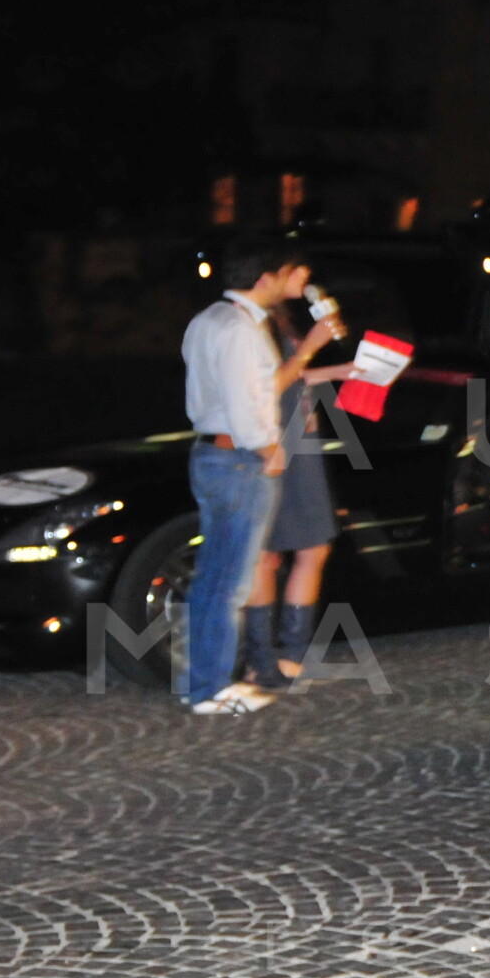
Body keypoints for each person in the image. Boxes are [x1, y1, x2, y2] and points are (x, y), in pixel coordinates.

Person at [179, 243, 333, 716]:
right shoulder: (242, 330)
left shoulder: (209, 319)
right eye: (286, 273)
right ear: (266, 278)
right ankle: (209, 689)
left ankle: (202, 682)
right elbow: (249, 401)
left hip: (213, 452)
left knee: (214, 579)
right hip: (238, 458)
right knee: (229, 583)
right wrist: (269, 449)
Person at [243, 274, 351, 690]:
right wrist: (311, 346)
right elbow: (264, 388)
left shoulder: (277, 317)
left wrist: (340, 369)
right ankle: (266, 660)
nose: (306, 279)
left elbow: (291, 377)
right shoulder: (247, 323)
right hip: (271, 441)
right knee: (269, 553)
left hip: (296, 439)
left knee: (309, 547)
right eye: (297, 271)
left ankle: (288, 656)